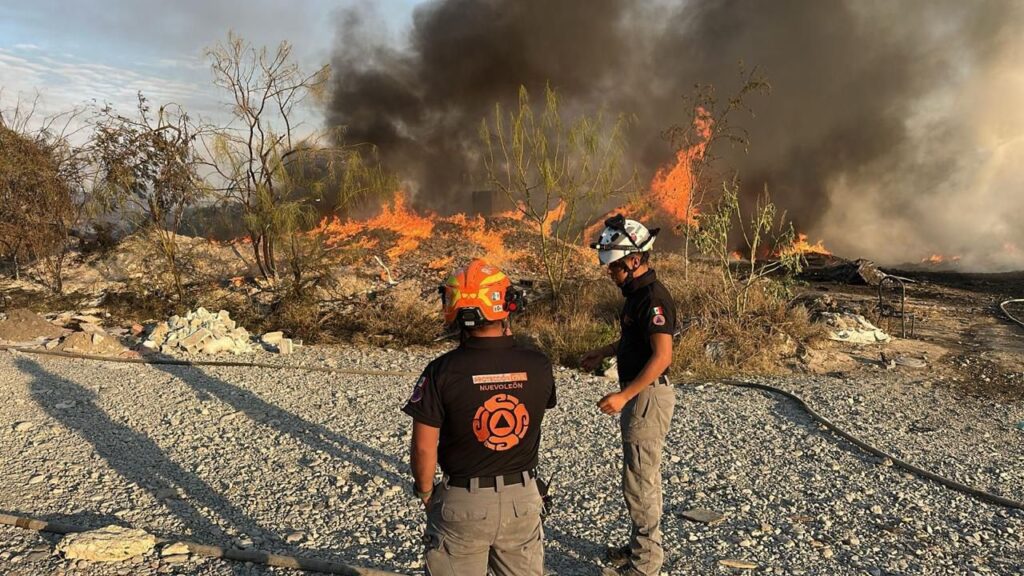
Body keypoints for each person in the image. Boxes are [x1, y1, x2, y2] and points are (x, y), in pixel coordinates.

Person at [403, 258, 557, 576]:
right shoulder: (539, 365)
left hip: (462, 503)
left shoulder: (441, 372)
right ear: (506, 305)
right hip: (523, 500)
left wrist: (426, 492)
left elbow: (422, 448)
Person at [580, 214, 677, 576]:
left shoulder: (653, 299)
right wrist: (605, 352)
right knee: (637, 477)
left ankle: (646, 564)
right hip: (641, 395)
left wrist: (624, 396)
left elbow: (662, 356)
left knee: (640, 482)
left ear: (635, 260)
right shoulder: (636, 296)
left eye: (615, 267)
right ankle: (640, 547)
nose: (611, 274)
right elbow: (634, 341)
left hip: (648, 397)